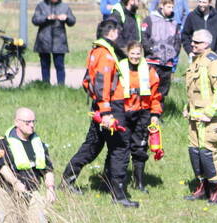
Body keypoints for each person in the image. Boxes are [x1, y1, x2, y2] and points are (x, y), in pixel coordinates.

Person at [62, 20, 138, 208]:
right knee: (120, 147)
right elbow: (102, 83)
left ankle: (67, 180)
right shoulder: (106, 55)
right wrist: (106, 111)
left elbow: (87, 82)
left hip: (101, 105)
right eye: (117, 33)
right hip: (110, 108)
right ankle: (118, 194)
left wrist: (98, 104)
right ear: (111, 33)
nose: (119, 36)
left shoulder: (95, 51)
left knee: (93, 145)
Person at [0, 108, 56, 223]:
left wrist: (51, 189)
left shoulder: (38, 143)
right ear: (17, 123)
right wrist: (15, 182)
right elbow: (1, 166)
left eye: (33, 121)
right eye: (27, 122)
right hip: (8, 192)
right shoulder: (3, 142)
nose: (32, 125)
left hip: (32, 193)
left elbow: (48, 169)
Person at [182, 29, 217, 204]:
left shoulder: (213, 62)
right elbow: (193, 90)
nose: (192, 44)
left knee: (208, 152)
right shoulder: (196, 60)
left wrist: (209, 113)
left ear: (207, 43)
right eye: (192, 41)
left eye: (197, 42)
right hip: (194, 116)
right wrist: (187, 107)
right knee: (195, 152)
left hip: (209, 118)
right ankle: (202, 186)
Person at [120, 41, 162, 193]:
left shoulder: (149, 71)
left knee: (140, 147)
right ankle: (118, 181)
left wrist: (155, 114)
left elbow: (156, 96)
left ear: (142, 54)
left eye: (138, 53)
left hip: (142, 112)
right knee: (121, 147)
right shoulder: (120, 67)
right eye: (133, 53)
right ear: (128, 53)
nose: (135, 56)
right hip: (124, 112)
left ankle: (139, 182)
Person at [32, 0, 76, 86]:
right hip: (43, 41)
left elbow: (72, 21)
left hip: (59, 42)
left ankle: (61, 86)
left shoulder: (65, 6)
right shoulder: (41, 5)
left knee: (59, 65)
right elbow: (35, 20)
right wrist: (46, 18)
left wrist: (67, 18)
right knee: (44, 65)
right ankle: (45, 85)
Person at [144, 0, 180, 100]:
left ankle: (159, 113)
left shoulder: (174, 23)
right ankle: (148, 114)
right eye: (168, 7)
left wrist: (173, 54)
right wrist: (150, 50)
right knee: (150, 89)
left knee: (162, 92)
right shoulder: (150, 20)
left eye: (172, 7)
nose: (171, 9)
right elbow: (144, 37)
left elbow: (177, 41)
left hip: (167, 63)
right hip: (153, 61)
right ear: (161, 6)